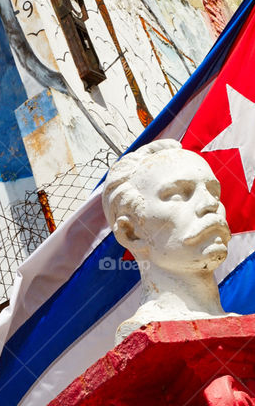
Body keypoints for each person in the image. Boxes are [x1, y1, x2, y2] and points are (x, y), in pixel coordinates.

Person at [100, 139, 233, 343]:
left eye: (214, 192)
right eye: (178, 194)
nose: (210, 204)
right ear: (130, 232)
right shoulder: (143, 332)